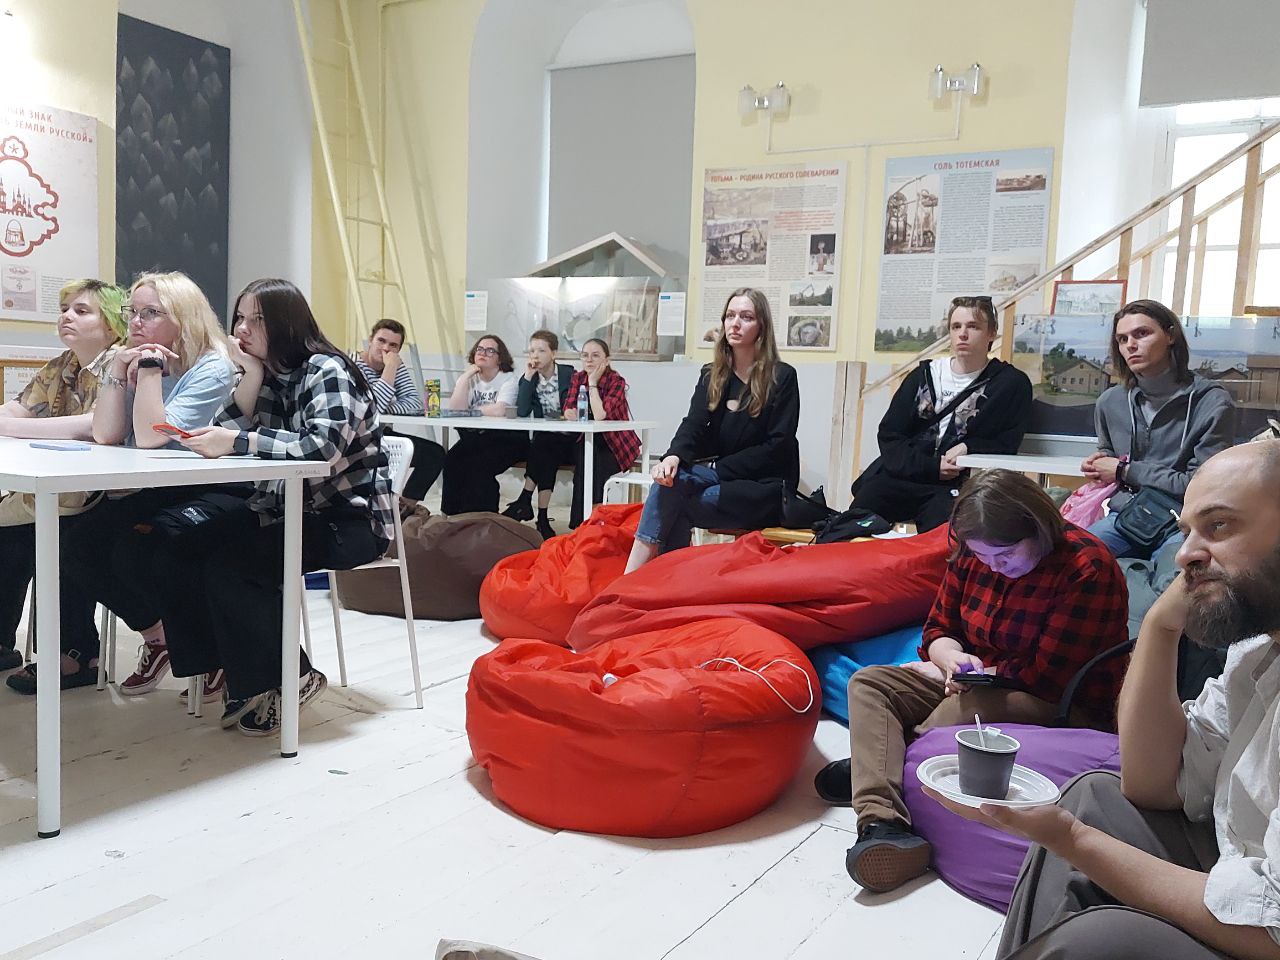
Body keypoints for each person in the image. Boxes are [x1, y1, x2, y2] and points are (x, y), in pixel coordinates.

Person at [928, 443, 1280, 960]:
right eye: (1186, 532)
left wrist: (1073, 839)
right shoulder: (1254, 655)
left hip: (1030, 693)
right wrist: (1158, 627)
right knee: (1094, 792)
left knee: (1097, 936)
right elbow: (1152, 784)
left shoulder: (1081, 566)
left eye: (1219, 525)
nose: (1185, 555)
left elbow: (1271, 929)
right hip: (1234, 857)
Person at [816, 469, 1129, 894]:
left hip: (1059, 698)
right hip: (974, 678)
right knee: (870, 683)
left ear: (1038, 529)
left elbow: (1050, 675)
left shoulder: (1086, 567)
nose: (994, 566)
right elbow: (938, 627)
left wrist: (974, 675)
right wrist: (947, 658)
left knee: (961, 711)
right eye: (983, 556)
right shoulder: (972, 552)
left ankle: (878, 767)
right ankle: (882, 824)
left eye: (1006, 554)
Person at [133, 278, 394, 736]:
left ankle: (289, 676)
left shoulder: (326, 369)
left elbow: (321, 449)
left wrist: (241, 440)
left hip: (348, 520)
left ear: (286, 324)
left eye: (257, 319)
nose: (242, 328)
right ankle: (233, 670)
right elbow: (224, 429)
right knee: (178, 551)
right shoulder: (269, 375)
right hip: (283, 510)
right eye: (240, 317)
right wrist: (251, 377)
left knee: (234, 566)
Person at [9, 271, 237, 696]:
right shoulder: (128, 358)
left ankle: (198, 646)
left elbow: (151, 437)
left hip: (199, 489)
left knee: (120, 549)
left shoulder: (212, 365)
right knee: (73, 546)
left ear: (184, 317)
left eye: (150, 313)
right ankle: (159, 638)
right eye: (134, 312)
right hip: (143, 486)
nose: (135, 322)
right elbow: (107, 433)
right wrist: (118, 368)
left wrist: (147, 371)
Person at [0, 279, 125, 679]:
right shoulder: (63, 364)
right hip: (65, 488)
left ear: (111, 324)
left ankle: (76, 653)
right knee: (8, 533)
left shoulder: (121, 363)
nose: (67, 316)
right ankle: (2, 643)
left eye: (81, 311)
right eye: (64, 309)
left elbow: (92, 426)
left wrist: (16, 427)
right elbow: (20, 408)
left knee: (60, 538)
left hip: (112, 493)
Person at [623, 288, 798, 574]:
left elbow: (778, 446)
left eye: (746, 317)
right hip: (719, 478)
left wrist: (716, 469)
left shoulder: (782, 376)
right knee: (670, 483)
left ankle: (644, 577)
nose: (735, 324)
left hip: (762, 486)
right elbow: (693, 424)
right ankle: (659, 579)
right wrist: (673, 456)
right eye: (730, 316)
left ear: (762, 326)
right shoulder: (712, 373)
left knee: (674, 497)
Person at [850, 296, 1033, 532]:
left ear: (992, 333)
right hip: (907, 475)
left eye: (973, 326)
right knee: (855, 519)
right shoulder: (923, 376)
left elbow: (1007, 442)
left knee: (945, 532)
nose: (963, 334)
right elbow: (890, 435)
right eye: (956, 327)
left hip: (957, 485)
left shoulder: (1009, 383)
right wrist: (931, 466)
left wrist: (968, 448)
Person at [1081, 299, 1234, 560]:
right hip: (1126, 516)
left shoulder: (1211, 402)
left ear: (1170, 335)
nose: (1130, 345)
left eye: (1141, 333)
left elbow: (1199, 485)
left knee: (1173, 575)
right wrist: (1098, 465)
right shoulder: (1110, 402)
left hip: (1185, 522)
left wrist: (1124, 470)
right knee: (1072, 560)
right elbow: (1109, 456)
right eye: (1122, 339)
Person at [355, 317, 444, 512]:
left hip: (383, 434)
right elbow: (371, 408)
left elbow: (414, 404)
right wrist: (390, 369)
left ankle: (405, 506)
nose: (385, 348)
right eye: (381, 341)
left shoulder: (395, 364)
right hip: (359, 438)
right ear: (370, 340)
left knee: (434, 453)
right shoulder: (354, 365)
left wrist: (384, 405)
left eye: (393, 345)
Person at [500, 329, 575, 537]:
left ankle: (525, 500)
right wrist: (528, 375)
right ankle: (541, 517)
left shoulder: (569, 374)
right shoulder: (530, 379)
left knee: (543, 447)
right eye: (532, 351)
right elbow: (522, 411)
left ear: (553, 353)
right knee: (544, 449)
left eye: (541, 351)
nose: (535, 356)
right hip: (547, 441)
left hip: (570, 438)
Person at [439, 334, 524, 515]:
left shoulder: (509, 379)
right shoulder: (469, 378)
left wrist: (473, 411)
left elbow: (501, 409)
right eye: (479, 349)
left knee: (479, 466)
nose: (483, 353)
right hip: (476, 438)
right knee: (452, 460)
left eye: (490, 350)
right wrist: (465, 377)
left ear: (500, 358)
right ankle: (451, 515)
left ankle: (484, 517)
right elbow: (456, 410)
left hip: (507, 439)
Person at [560, 338, 639, 533]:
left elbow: (601, 415)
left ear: (607, 360)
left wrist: (593, 383)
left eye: (595, 355)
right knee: (583, 464)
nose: (589, 360)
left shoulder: (616, 381)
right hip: (586, 440)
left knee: (594, 466)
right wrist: (571, 413)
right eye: (585, 355)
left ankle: (592, 522)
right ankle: (580, 526)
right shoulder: (577, 378)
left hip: (615, 443)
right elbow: (568, 409)